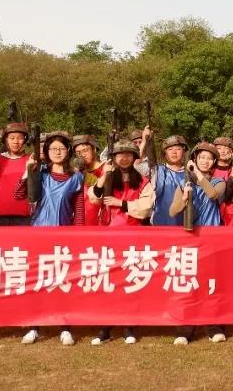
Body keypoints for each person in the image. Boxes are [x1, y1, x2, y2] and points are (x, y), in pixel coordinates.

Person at [18, 131, 85, 345]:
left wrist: (78, 234)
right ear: (46, 151)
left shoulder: (76, 177)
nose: (57, 152)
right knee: (37, 281)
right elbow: (19, 195)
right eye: (53, 148)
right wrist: (28, 172)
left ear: (68, 152)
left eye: (61, 148)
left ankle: (65, 326)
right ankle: (34, 326)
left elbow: (79, 209)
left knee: (63, 281)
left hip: (64, 235)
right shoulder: (40, 172)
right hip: (38, 234)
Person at [166, 141, 227, 345]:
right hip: (190, 240)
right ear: (195, 159)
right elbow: (172, 211)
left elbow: (213, 194)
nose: (205, 161)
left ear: (214, 162)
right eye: (201, 157)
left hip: (213, 239)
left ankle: (213, 326)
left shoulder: (218, 182)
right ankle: (185, 328)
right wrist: (184, 198)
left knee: (212, 285)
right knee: (189, 284)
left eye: (209, 158)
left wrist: (198, 175)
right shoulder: (184, 183)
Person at [90, 139, 147, 345]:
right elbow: (94, 198)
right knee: (108, 282)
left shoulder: (142, 181)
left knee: (129, 282)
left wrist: (121, 203)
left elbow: (146, 207)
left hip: (133, 236)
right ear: (113, 157)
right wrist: (103, 178)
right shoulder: (107, 176)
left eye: (128, 154)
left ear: (134, 157)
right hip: (108, 236)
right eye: (119, 154)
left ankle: (128, 326)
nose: (124, 158)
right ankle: (105, 326)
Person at [0, 122, 32, 226]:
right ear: (5, 140)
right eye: (12, 138)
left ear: (25, 140)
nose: (16, 141)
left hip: (23, 217)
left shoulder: (30, 161)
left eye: (20, 138)